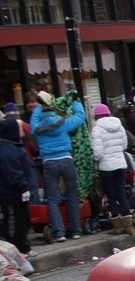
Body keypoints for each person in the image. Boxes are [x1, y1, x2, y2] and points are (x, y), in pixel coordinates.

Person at [30, 91, 87, 242]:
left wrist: (40, 106)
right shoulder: (63, 123)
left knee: (53, 199)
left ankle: (59, 232)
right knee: (72, 195)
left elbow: (33, 121)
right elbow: (81, 117)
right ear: (53, 108)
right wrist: (75, 102)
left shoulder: (37, 127)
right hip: (66, 160)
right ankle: (75, 230)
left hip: (49, 162)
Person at [90, 103, 133, 235]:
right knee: (121, 193)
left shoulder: (97, 129)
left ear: (96, 116)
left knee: (111, 195)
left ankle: (117, 225)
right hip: (120, 164)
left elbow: (98, 153)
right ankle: (128, 226)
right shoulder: (119, 125)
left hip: (106, 167)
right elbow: (124, 145)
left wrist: (95, 159)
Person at [0, 117, 33, 257]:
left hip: (16, 192)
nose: (22, 131)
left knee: (23, 220)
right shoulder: (8, 150)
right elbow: (12, 172)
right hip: (11, 194)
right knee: (14, 222)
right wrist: (23, 187)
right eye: (19, 128)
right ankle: (16, 248)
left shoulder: (14, 146)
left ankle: (23, 247)